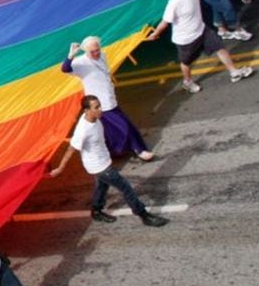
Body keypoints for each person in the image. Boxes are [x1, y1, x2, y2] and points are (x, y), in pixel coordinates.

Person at [49, 96, 170, 227]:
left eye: (99, 105)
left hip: (103, 161)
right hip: (99, 166)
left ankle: (96, 211)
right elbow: (70, 150)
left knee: (102, 186)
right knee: (126, 188)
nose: (100, 109)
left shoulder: (95, 118)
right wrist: (60, 169)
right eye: (96, 107)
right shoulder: (83, 130)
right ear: (86, 110)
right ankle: (144, 215)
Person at [146, 0, 257, 93]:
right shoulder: (175, 3)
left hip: (202, 30)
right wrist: (155, 33)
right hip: (186, 39)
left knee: (220, 47)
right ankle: (187, 82)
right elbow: (165, 22)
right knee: (186, 62)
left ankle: (234, 72)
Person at [61, 36, 157, 160]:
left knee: (108, 131)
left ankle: (115, 152)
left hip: (110, 99)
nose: (96, 53)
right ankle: (139, 149)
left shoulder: (103, 55)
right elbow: (65, 69)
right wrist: (71, 55)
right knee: (125, 126)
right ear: (86, 51)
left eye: (97, 49)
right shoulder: (80, 62)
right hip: (100, 104)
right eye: (92, 52)